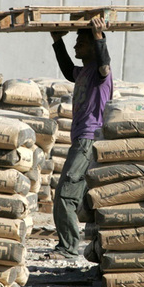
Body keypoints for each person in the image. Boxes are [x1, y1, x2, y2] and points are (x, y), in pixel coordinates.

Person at [47, 17, 113, 259]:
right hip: (82, 140)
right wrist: (57, 41)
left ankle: (68, 248)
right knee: (84, 198)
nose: (76, 47)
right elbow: (67, 70)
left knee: (65, 194)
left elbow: (105, 63)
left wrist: (99, 37)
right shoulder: (84, 71)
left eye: (80, 43)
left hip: (89, 139)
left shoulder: (99, 72)